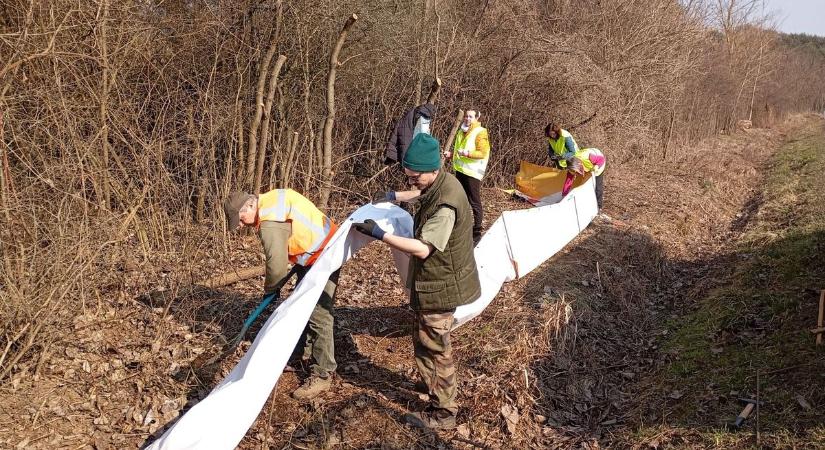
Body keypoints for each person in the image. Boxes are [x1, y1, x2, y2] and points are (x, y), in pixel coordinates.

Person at [359, 133, 481, 429]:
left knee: (436, 348)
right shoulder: (442, 182)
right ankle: (433, 387)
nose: (411, 182)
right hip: (434, 282)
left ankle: (444, 413)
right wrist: (395, 197)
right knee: (424, 340)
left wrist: (381, 235)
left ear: (432, 169)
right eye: (408, 176)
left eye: (414, 177)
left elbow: (423, 248)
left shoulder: (446, 206)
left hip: (441, 286)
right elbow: (422, 192)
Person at [223, 188, 340, 400]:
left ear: (249, 206)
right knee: (301, 307)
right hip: (318, 249)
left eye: (240, 219)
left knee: (318, 313)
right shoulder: (271, 199)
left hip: (324, 254)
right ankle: (302, 353)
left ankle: (323, 373)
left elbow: (276, 267)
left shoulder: (270, 223)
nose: (240, 226)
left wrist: (271, 289)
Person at [445, 109, 490, 244]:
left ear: (477, 118)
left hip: (472, 173)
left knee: (474, 202)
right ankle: (460, 227)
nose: (467, 119)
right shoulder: (461, 130)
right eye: (466, 116)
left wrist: (466, 153)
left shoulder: (480, 132)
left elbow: (482, 153)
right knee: (459, 199)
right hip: (460, 170)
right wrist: (451, 155)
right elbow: (460, 151)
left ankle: (477, 231)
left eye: (471, 117)